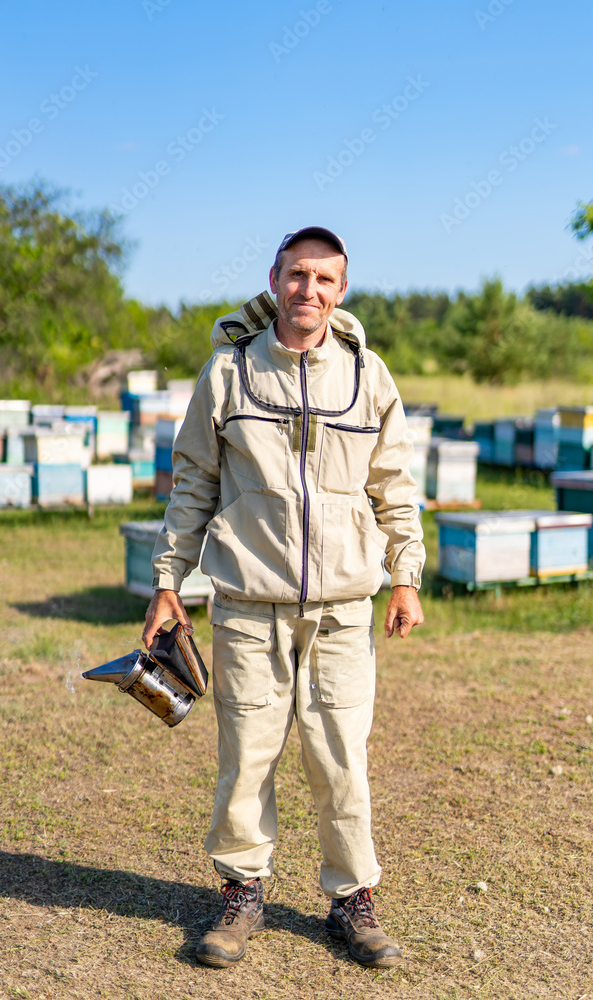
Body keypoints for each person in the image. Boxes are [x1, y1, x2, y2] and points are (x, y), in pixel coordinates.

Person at [142, 226, 425, 970]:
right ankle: (241, 893)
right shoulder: (228, 373)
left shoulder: (368, 377)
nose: (309, 292)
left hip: (340, 609)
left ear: (341, 290)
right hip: (247, 605)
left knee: (340, 759)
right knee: (247, 756)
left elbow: (393, 486)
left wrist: (406, 576)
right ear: (274, 279)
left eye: (324, 280)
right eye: (297, 276)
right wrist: (167, 582)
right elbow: (193, 483)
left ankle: (351, 900)